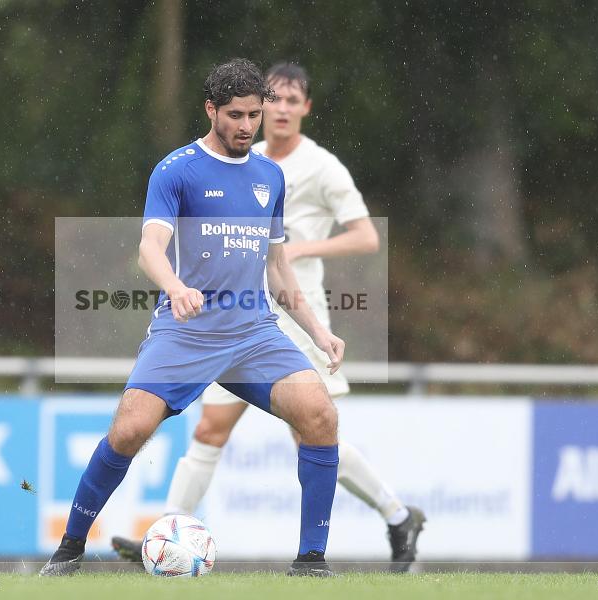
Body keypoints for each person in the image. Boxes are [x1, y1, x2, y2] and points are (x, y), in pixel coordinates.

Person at [112, 63, 426, 573]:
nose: (278, 110)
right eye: (271, 101)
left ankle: (395, 514)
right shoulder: (242, 152)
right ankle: (172, 533)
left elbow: (366, 236)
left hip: (295, 309)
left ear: (306, 108)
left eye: (291, 100)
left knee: (312, 432)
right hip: (234, 313)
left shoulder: (322, 167)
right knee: (211, 426)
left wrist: (300, 250)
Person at [41, 58, 345, 578]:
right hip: (186, 334)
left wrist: (319, 332)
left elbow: (277, 264)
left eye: (254, 114)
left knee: (320, 415)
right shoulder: (177, 168)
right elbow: (149, 248)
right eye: (235, 115)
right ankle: (69, 548)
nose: (247, 126)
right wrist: (176, 287)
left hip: (253, 334)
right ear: (211, 110)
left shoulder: (270, 176)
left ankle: (311, 560)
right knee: (129, 432)